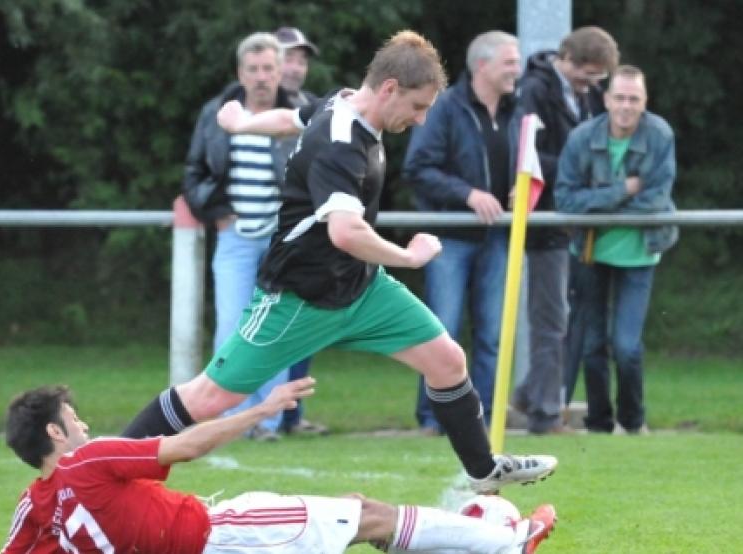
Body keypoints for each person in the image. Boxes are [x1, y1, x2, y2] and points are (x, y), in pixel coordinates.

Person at [125, 30, 557, 495]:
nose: (421, 118)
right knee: (208, 397)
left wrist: (242, 124)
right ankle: (97, 468)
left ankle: (482, 469)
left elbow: (290, 118)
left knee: (448, 359)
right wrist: (409, 256)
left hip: (360, 289)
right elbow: (345, 232)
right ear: (389, 88)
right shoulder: (340, 144)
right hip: (298, 299)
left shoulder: (344, 101)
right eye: (417, 106)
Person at [2, 378, 557, 553]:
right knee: (363, 515)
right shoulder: (90, 461)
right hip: (221, 537)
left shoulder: (39, 502)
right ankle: (507, 539)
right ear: (56, 432)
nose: (87, 428)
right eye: (75, 420)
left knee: (357, 518)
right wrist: (261, 410)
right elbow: (187, 446)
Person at [180, 32, 301, 441]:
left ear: (281, 71)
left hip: (283, 241)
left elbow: (316, 175)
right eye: (254, 69)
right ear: (240, 73)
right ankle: (232, 419)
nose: (262, 77)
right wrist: (213, 212)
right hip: (235, 239)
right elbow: (194, 172)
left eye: (269, 68)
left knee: (276, 328)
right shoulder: (216, 114)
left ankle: (268, 422)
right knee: (231, 326)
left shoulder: (298, 114)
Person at [402, 31, 520, 436]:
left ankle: (479, 418)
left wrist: (523, 189)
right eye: (510, 61)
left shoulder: (516, 111)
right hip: (449, 239)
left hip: (496, 238)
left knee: (491, 335)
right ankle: (434, 418)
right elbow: (418, 168)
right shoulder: (445, 108)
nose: (517, 70)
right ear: (482, 66)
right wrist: (467, 194)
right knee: (441, 332)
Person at [554, 65, 677, 435]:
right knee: (593, 345)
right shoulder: (581, 138)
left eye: (634, 99)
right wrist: (624, 190)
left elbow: (656, 200)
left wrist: (597, 203)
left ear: (645, 102)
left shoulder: (659, 135)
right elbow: (565, 200)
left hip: (641, 251)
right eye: (619, 98)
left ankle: (633, 421)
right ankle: (599, 423)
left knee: (626, 346)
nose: (626, 106)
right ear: (606, 100)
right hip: (590, 252)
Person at [511, 27, 619, 434]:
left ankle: (527, 395)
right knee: (551, 318)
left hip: (574, 220)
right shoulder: (534, 91)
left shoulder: (587, 94)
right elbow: (528, 156)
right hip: (546, 220)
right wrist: (578, 176)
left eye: (598, 79)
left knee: (565, 316)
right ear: (566, 58)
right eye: (586, 75)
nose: (591, 85)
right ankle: (543, 413)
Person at [272, 25, 326, 437]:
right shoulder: (238, 105)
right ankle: (261, 416)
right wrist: (215, 206)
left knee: (303, 325)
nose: (295, 67)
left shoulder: (315, 109)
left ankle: (292, 413)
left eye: (301, 59)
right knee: (264, 327)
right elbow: (205, 163)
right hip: (260, 231)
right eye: (289, 57)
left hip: (305, 234)